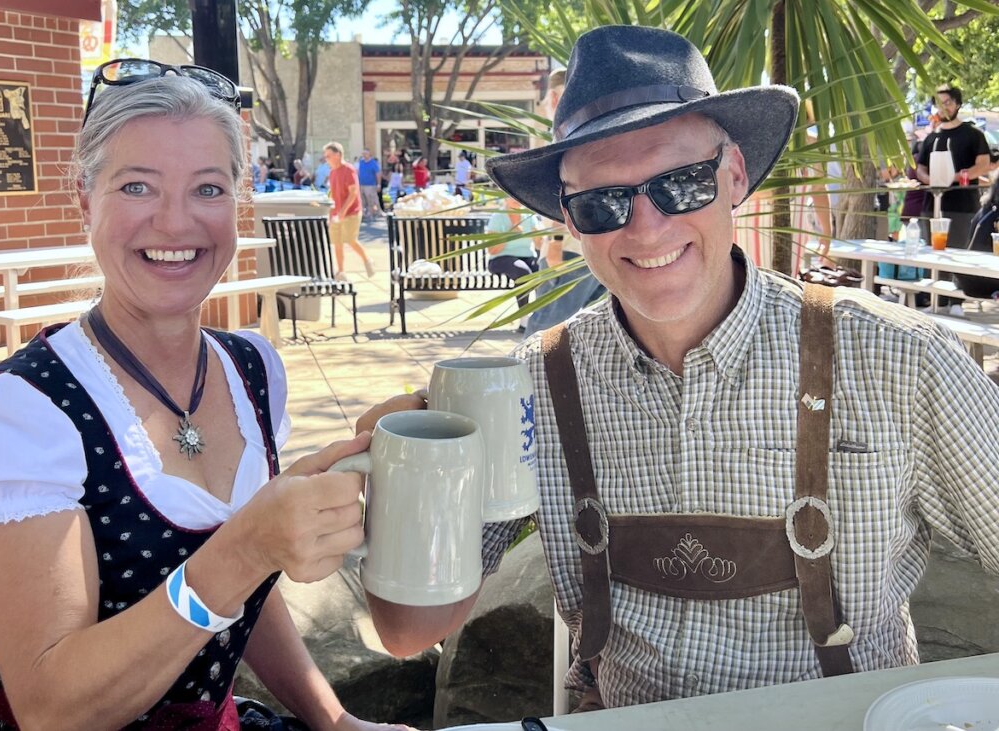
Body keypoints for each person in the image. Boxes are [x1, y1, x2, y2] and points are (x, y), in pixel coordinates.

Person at [359, 26, 999, 712]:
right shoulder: (529, 390)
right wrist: (400, 483)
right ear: (571, 223)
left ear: (733, 177)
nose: (645, 227)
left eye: (681, 182)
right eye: (601, 202)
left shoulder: (897, 359)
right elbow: (407, 632)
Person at [0, 63, 409, 730]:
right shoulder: (21, 411)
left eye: (207, 188)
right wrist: (246, 547)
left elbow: (247, 598)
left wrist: (334, 720)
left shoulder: (253, 370)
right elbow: (51, 707)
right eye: (137, 186)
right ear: (85, 199)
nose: (175, 223)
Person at [524, 67, 607, 338]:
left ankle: (525, 377)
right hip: (593, 246)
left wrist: (554, 242)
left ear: (556, 98)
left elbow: (560, 195)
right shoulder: (593, 134)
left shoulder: (567, 138)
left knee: (548, 325)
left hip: (572, 248)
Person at [915, 86, 990, 247]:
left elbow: (983, 165)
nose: (944, 108)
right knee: (932, 257)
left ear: (957, 104)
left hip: (963, 207)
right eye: (939, 104)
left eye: (947, 102)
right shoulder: (930, 138)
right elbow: (920, 168)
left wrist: (955, 177)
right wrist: (930, 179)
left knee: (960, 257)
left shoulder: (973, 134)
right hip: (931, 207)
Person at [485, 196, 542, 321]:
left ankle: (541, 315)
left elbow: (539, 244)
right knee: (523, 272)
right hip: (500, 258)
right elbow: (492, 250)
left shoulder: (529, 217)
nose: (516, 199)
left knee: (543, 272)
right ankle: (523, 317)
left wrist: (541, 236)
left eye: (518, 196)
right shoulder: (498, 217)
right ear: (505, 198)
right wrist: (510, 234)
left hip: (528, 257)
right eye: (512, 197)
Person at [324, 141, 375, 278]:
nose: (326, 159)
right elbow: (333, 195)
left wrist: (342, 212)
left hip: (351, 212)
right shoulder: (332, 172)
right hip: (337, 212)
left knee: (350, 240)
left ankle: (367, 261)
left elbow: (353, 193)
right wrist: (330, 215)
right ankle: (341, 272)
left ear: (338, 155)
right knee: (337, 243)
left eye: (328, 156)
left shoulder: (349, 169)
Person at [356, 149, 382, 221]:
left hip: (370, 185)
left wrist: (378, 184)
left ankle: (372, 214)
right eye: (363, 154)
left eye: (366, 154)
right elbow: (358, 172)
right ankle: (363, 214)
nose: (364, 155)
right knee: (362, 200)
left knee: (371, 200)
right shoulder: (361, 162)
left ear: (369, 154)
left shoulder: (373, 163)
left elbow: (378, 174)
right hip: (361, 184)